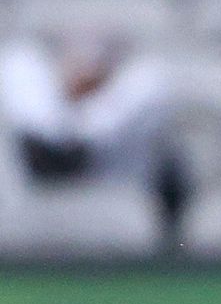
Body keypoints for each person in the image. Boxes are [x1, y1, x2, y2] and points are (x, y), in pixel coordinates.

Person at [0, 31, 189, 242]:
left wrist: (95, 92)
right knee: (16, 59)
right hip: (37, 176)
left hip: (115, 180)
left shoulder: (146, 80)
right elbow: (52, 133)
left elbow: (93, 133)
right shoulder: (21, 65)